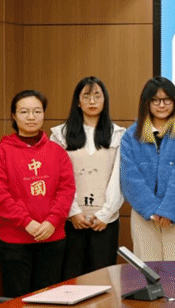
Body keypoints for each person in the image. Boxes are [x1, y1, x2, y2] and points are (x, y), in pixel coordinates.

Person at [0, 90, 76, 297]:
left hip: (51, 238)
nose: (31, 117)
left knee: (49, 301)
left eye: (37, 111)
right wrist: (27, 222)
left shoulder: (57, 151)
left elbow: (67, 190)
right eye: (24, 112)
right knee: (16, 303)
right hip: (14, 241)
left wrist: (52, 221)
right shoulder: (1, 152)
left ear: (43, 114)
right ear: (14, 115)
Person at [51, 77, 126, 279]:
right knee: (71, 279)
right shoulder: (59, 135)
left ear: (105, 100)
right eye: (86, 96)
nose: (92, 101)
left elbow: (119, 178)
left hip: (105, 221)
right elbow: (56, 178)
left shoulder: (118, 134)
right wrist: (73, 212)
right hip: (71, 220)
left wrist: (105, 214)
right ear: (78, 101)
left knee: (103, 279)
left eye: (97, 96)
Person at [120, 77, 175, 261]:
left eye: (167, 99)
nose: (161, 105)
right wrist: (152, 210)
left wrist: (168, 211)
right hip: (144, 214)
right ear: (146, 103)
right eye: (155, 100)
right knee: (147, 268)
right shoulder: (132, 135)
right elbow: (130, 177)